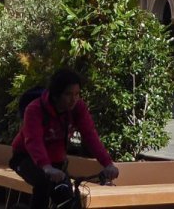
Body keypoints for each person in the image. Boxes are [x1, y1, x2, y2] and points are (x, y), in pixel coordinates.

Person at [10, 68, 119, 209]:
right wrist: (46, 167)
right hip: (27, 157)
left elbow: (90, 135)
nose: (74, 99)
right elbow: (33, 141)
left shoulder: (78, 108)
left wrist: (107, 163)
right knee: (44, 183)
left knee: (66, 197)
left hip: (56, 163)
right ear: (56, 95)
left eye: (77, 94)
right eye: (68, 94)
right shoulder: (35, 109)